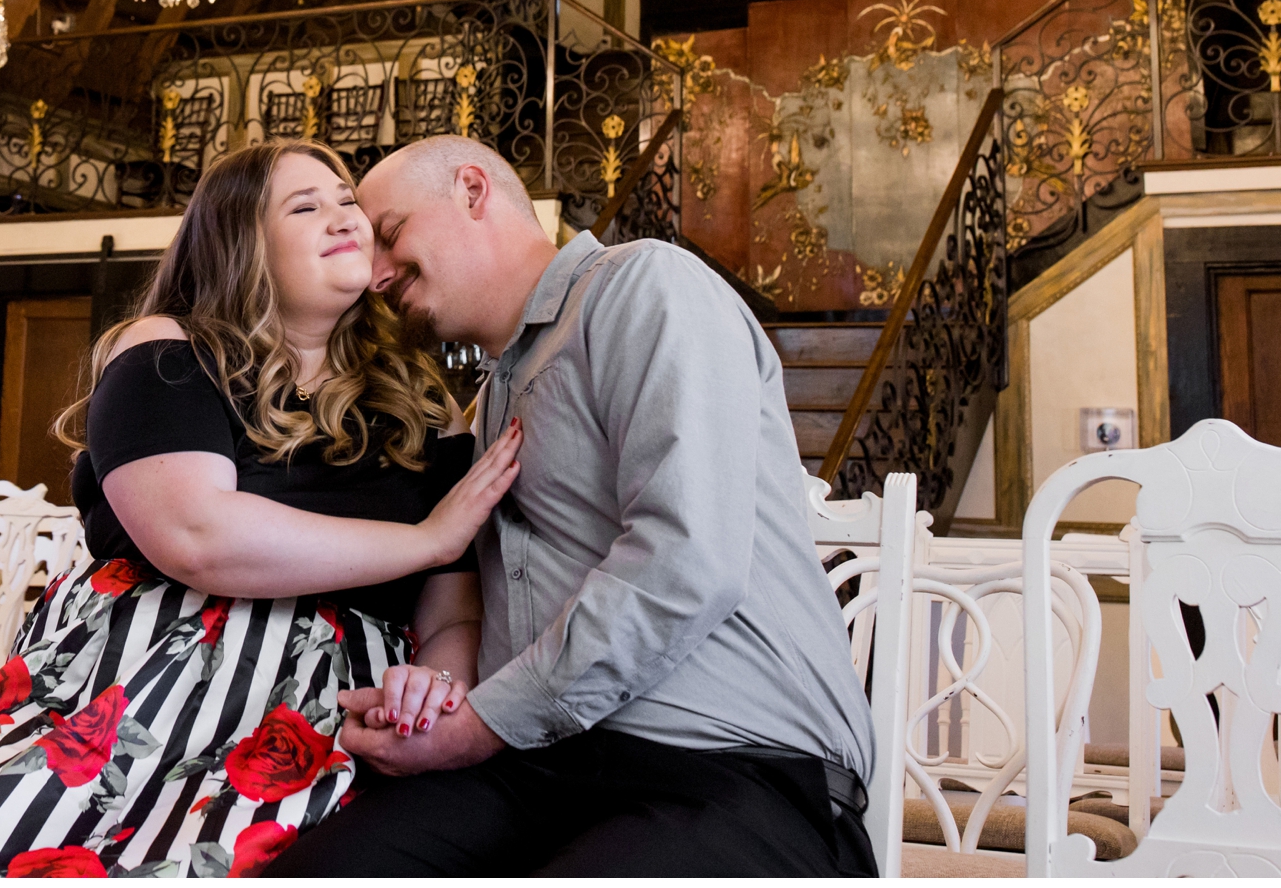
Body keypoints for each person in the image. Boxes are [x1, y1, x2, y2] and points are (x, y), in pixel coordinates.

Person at [0, 140, 522, 878]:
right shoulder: (169, 351)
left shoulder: (426, 405)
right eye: (306, 206)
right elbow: (197, 535)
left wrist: (435, 688)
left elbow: (453, 613)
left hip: (329, 710)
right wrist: (424, 539)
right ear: (240, 244)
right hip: (139, 684)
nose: (344, 218)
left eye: (347, 200)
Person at [269, 136, 877, 878]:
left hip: (732, 765)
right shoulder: (484, 408)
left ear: (471, 190)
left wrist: (484, 724)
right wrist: (427, 695)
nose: (376, 274)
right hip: (540, 766)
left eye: (390, 235)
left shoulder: (646, 285)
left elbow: (686, 563)